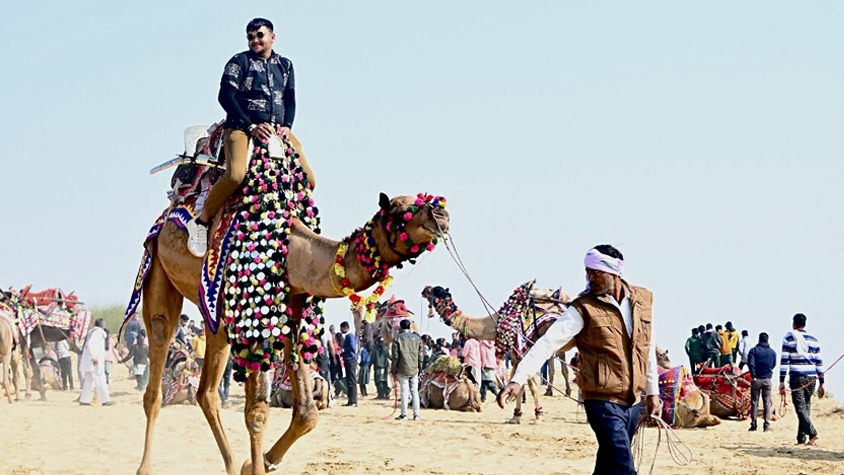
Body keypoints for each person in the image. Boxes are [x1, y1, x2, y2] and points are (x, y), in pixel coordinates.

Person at [498, 245, 660, 475]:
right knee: (624, 467)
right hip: (601, 402)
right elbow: (547, 343)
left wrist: (652, 392)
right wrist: (518, 379)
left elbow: (647, 346)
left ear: (614, 272)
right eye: (587, 271)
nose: (590, 277)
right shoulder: (583, 308)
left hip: (632, 403)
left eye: (596, 271)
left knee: (608, 465)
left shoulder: (642, 300)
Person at [187, 17, 313, 257]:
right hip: (240, 127)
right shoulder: (239, 61)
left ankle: (291, 222)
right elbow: (225, 97)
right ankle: (202, 222)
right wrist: (251, 125)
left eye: (259, 35)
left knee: (308, 180)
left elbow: (290, 99)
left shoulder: (285, 65)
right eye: (250, 36)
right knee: (235, 175)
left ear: (272, 37)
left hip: (277, 131)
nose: (255, 40)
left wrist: (287, 126)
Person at [779, 313, 825, 446]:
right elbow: (819, 362)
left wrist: (782, 380)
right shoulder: (814, 340)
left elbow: (784, 361)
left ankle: (812, 433)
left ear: (794, 323)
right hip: (812, 377)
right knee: (806, 407)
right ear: (805, 324)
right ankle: (802, 439)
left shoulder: (789, 338)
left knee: (800, 407)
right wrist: (822, 383)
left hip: (797, 377)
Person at [391, 319, 423, 420]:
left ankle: (404, 414)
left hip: (402, 368)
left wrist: (394, 369)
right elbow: (420, 355)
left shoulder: (397, 338)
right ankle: (416, 415)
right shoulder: (418, 339)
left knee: (404, 392)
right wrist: (419, 367)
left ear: (400, 327)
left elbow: (395, 356)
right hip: (414, 368)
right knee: (414, 391)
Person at [79, 318, 114, 406]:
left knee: (88, 381)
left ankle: (83, 400)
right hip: (94, 362)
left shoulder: (92, 332)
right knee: (100, 380)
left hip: (90, 361)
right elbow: (91, 345)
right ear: (102, 325)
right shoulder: (97, 333)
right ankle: (105, 400)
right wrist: (94, 357)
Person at [747, 332, 776, 432]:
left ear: (759, 339)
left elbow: (751, 364)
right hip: (767, 379)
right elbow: (774, 364)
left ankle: (754, 424)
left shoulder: (754, 351)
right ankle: (766, 425)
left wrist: (753, 375)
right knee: (766, 403)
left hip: (756, 379)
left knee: (754, 402)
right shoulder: (772, 352)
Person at [340, 322, 358, 407]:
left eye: (341, 328)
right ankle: (350, 400)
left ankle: (354, 401)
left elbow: (352, 348)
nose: (340, 330)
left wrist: (344, 350)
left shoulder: (350, 336)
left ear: (345, 328)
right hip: (348, 360)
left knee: (352, 381)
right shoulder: (347, 336)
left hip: (351, 360)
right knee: (349, 381)